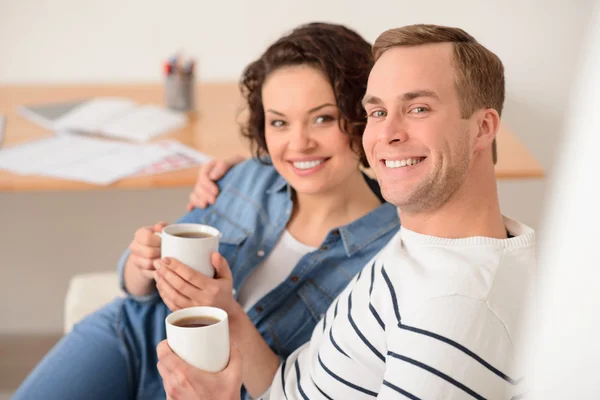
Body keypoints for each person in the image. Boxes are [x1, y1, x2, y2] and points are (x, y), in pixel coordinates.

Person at [13, 23, 400, 400]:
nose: (298, 143)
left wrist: (227, 312)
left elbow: (296, 391)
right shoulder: (247, 177)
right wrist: (142, 262)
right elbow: (137, 293)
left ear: (363, 116)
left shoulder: (390, 255)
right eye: (279, 122)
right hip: (134, 340)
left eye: (323, 118)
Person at [156, 23, 537, 400]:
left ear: (484, 128)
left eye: (418, 108)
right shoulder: (428, 244)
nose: (387, 134)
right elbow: (288, 386)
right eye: (377, 112)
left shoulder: (453, 312)